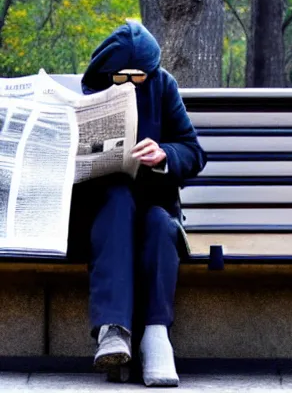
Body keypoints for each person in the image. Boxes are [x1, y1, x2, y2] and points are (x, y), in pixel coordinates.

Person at [68, 20, 206, 387]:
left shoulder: (163, 86)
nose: (130, 84)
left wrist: (164, 155)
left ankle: (156, 337)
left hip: (153, 207)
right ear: (105, 71)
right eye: (120, 77)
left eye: (139, 77)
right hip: (101, 217)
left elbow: (193, 151)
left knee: (160, 225)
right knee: (116, 199)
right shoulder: (88, 92)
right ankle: (113, 331)